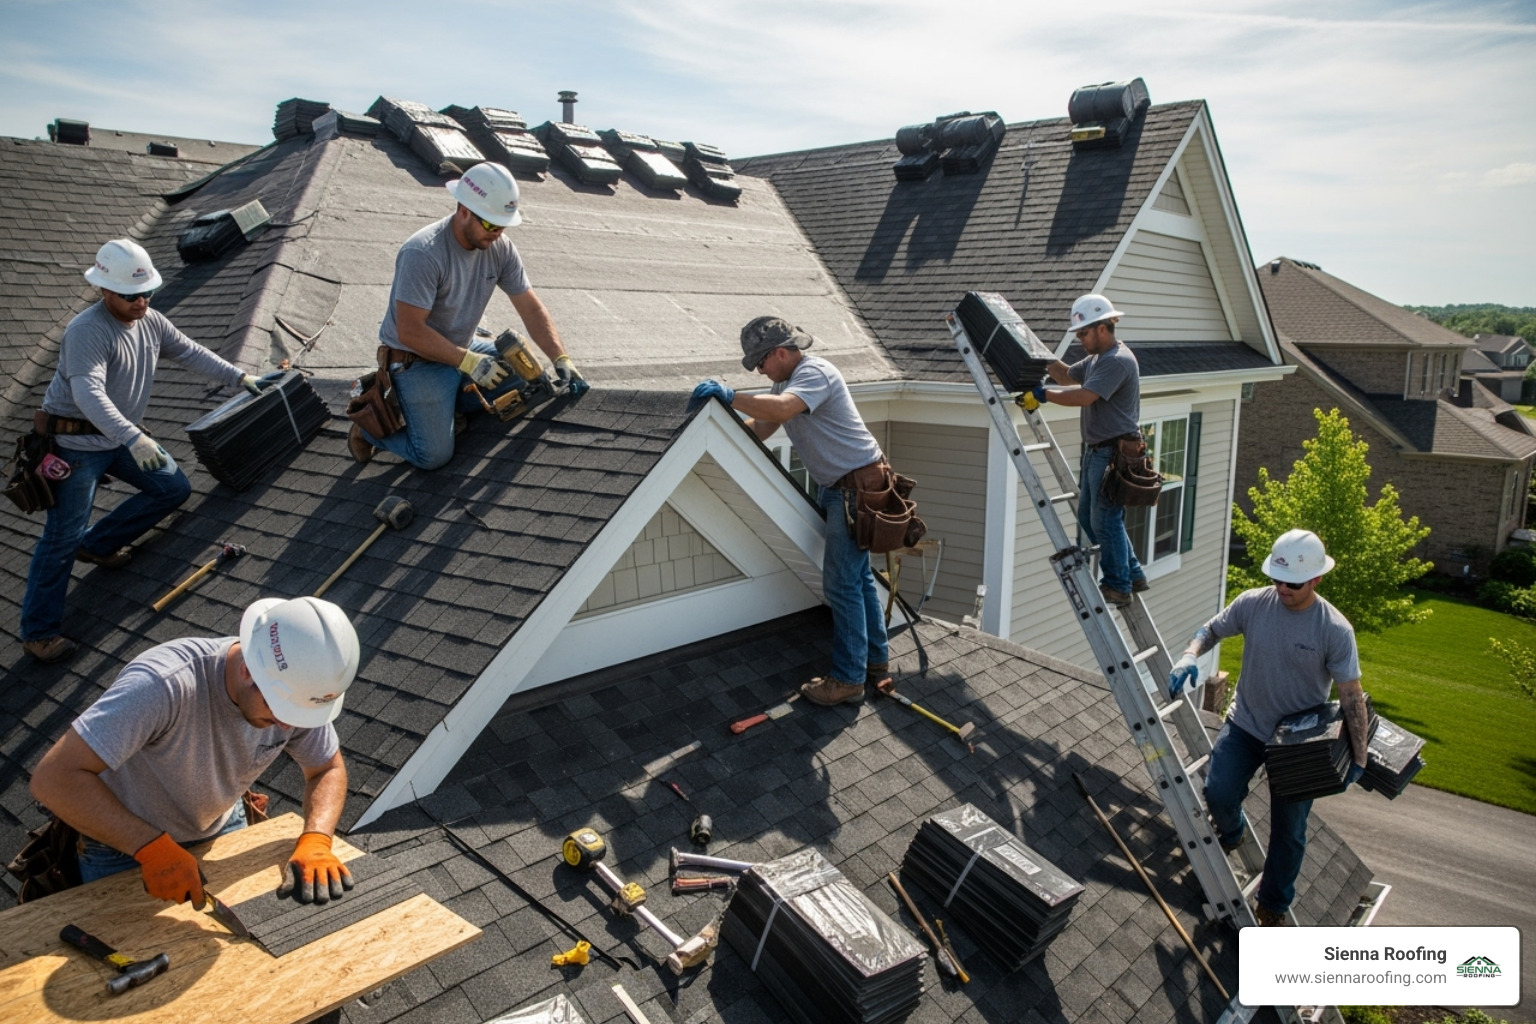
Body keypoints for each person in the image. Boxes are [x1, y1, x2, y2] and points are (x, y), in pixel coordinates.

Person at [30, 596, 362, 905]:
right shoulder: (162, 685)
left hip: (219, 826)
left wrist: (317, 839)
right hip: (122, 847)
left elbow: (327, 768)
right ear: (248, 669)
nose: (288, 726)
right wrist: (151, 849)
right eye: (279, 709)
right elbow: (53, 779)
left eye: (298, 715)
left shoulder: (296, 687)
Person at [21, 239, 263, 664]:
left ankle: (99, 545)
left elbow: (188, 350)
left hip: (120, 438)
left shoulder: (150, 320)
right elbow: (89, 394)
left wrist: (238, 377)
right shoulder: (86, 331)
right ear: (104, 290)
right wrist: (134, 438)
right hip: (76, 447)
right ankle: (38, 632)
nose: (141, 302)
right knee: (61, 537)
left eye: (147, 292)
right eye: (130, 295)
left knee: (172, 488)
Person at [1166, 529, 1369, 927]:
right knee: (1218, 791)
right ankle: (1232, 832)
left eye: (1292, 583)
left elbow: (1351, 695)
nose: (1282, 588)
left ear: (1316, 579)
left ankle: (1272, 906)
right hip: (1247, 723)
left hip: (1298, 743)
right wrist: (1189, 654)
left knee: (1289, 831)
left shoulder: (1334, 629)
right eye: (1277, 579)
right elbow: (1211, 630)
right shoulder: (1254, 603)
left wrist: (1358, 759)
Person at [689, 317, 890, 707]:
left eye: (760, 362)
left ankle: (848, 680)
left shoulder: (815, 373)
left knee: (841, 585)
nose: (759, 371)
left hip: (857, 489)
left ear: (780, 352)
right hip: (846, 487)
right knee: (859, 578)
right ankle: (875, 663)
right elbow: (762, 427)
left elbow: (781, 411)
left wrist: (729, 395)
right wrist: (710, 434)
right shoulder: (785, 383)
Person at [351, 161, 588, 469]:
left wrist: (561, 357)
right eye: (491, 225)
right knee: (433, 456)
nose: (497, 234)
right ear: (464, 210)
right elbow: (410, 332)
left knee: (531, 379)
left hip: (464, 349)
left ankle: (450, 404)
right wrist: (469, 362)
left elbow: (530, 307)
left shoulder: (500, 248)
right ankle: (369, 431)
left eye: (503, 226)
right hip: (418, 361)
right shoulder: (423, 253)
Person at [1024, 294, 1147, 606]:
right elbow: (1066, 376)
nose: (1080, 339)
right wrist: (1035, 352)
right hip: (1100, 450)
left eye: (1083, 333)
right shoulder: (1096, 360)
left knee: (1105, 519)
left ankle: (1118, 586)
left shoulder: (1117, 360)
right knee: (1090, 517)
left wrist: (1044, 395)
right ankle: (1132, 572)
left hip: (1115, 452)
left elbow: (1084, 396)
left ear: (1102, 328)